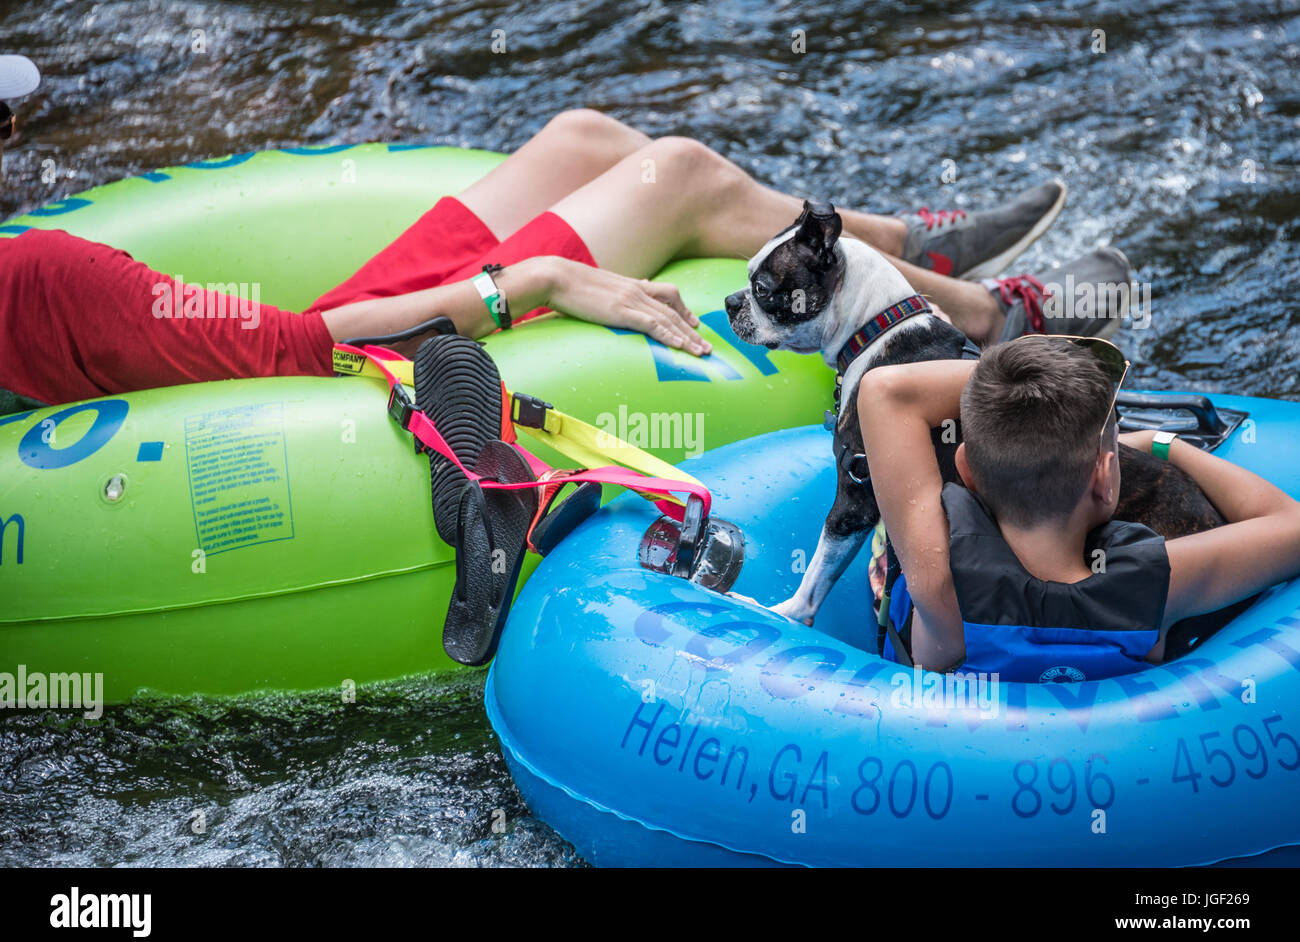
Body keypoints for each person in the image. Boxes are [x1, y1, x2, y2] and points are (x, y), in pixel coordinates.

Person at [0, 98, 1116, 409]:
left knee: (583, 137)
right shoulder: (47, 274)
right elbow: (290, 348)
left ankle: (890, 241)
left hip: (290, 338)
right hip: (358, 362)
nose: (18, 128)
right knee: (675, 168)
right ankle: (977, 314)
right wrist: (525, 280)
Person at [860, 336, 1300, 680]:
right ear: (1106, 478)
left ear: (966, 472)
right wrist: (1166, 446)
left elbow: (883, 390)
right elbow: (1290, 525)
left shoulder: (941, 590)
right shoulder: (1159, 584)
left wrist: (1010, 389)